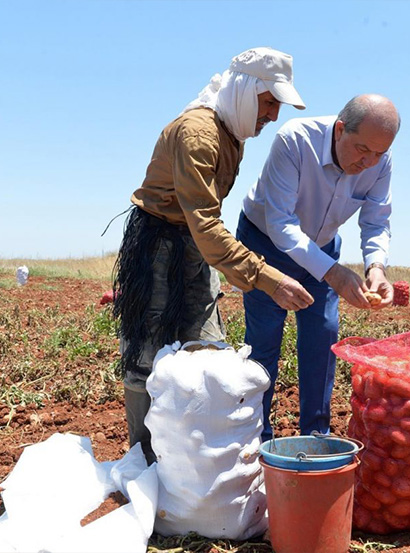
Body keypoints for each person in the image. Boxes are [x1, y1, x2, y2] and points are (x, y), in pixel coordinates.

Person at [112, 47, 315, 465]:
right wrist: (268, 278)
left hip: (194, 246)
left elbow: (203, 227)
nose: (273, 115)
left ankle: (192, 463)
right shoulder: (199, 134)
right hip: (157, 245)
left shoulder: (232, 132)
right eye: (269, 102)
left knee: (206, 349)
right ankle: (144, 462)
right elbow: (205, 224)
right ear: (245, 91)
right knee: (146, 359)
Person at [236, 94, 401, 442]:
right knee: (265, 341)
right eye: (362, 150)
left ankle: (316, 436)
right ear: (340, 129)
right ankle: (257, 440)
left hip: (321, 248)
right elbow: (281, 224)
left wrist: (376, 268)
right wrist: (333, 273)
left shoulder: (379, 163)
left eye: (379, 153)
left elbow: (376, 221)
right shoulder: (295, 140)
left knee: (322, 337)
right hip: (265, 243)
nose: (369, 162)